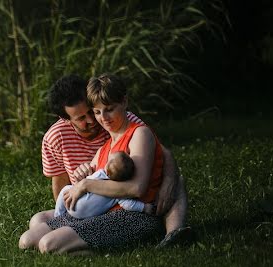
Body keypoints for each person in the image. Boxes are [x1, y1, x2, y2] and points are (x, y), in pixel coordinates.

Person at [19, 74, 191, 253]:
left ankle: (96, 248)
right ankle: (88, 246)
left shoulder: (138, 132)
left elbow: (138, 187)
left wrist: (86, 184)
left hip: (133, 214)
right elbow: (75, 182)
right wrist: (81, 176)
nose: (99, 119)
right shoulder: (104, 148)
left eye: (107, 109)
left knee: (49, 245)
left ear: (124, 102)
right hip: (99, 211)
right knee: (27, 241)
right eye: (97, 111)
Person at [53, 151, 152, 218]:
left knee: (66, 189)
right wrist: (144, 207)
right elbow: (129, 204)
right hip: (89, 216)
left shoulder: (100, 174)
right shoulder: (119, 192)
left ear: (107, 170)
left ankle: (57, 216)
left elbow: (87, 181)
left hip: (74, 204)